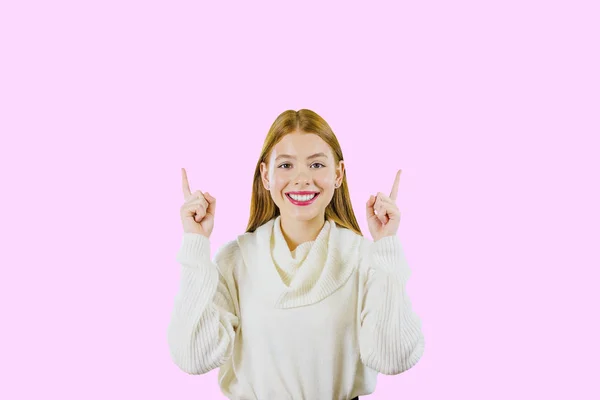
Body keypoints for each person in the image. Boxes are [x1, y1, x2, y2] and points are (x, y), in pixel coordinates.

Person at [167, 109, 425, 400]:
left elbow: (395, 357)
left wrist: (386, 247)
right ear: (266, 175)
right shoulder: (236, 260)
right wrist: (196, 244)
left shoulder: (363, 257)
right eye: (286, 165)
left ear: (338, 174)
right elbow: (192, 356)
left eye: (316, 164)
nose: (302, 179)